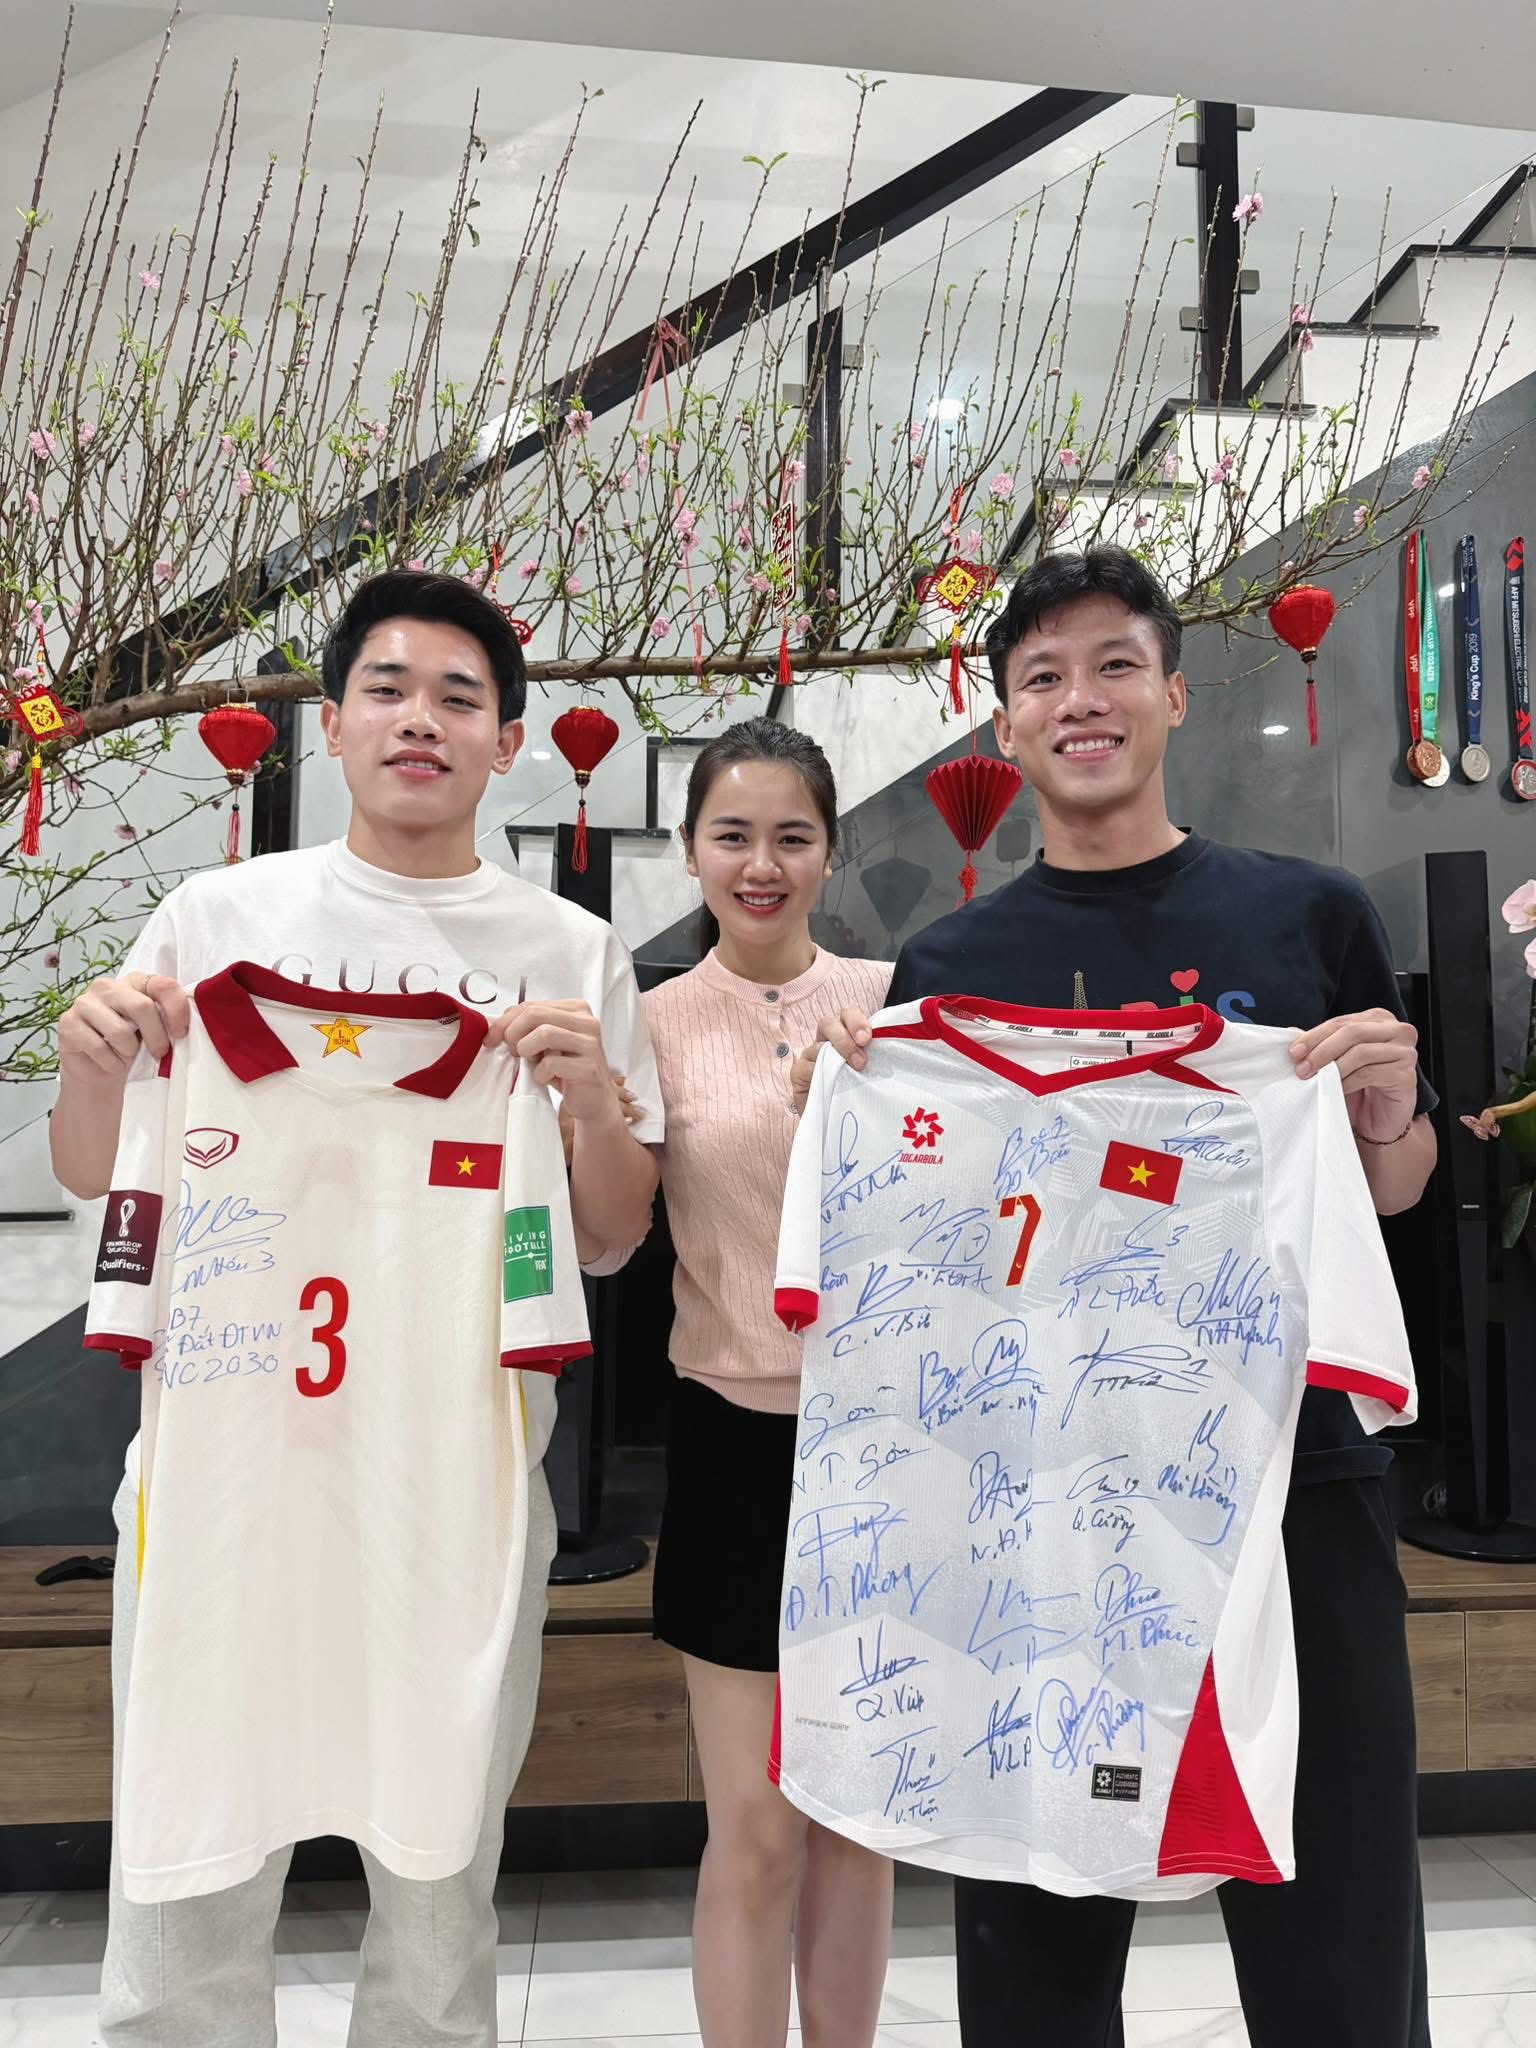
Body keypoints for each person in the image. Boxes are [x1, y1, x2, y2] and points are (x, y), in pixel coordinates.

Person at [790, 546, 1436, 2048]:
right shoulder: (948, 968)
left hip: (1289, 1482)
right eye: (1044, 678)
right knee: (1035, 1934)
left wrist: (1388, 1116)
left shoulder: (1312, 916)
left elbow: (1395, 1195)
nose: (1081, 700)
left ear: (1173, 696)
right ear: (1005, 724)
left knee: (1336, 1922)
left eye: (1114, 666)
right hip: (1034, 1495)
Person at [49, 568, 663, 2048]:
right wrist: (89, 1065)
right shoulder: (213, 922)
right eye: (387, 689)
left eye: (459, 697)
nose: (419, 720)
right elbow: (99, 1174)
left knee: (440, 1889)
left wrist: (588, 1104)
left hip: (454, 1482)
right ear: (331, 723)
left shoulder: (565, 958)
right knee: (186, 1870)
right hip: (222, 1472)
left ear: (505, 740)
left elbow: (611, 1235)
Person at [643, 719, 895, 2048]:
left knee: (858, 1815)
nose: (761, 864)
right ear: (690, 851)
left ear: (829, 853)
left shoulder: (896, 1001)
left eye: (791, 837)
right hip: (734, 1443)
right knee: (753, 1828)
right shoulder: (651, 1024)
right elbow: (610, 1228)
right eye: (732, 836)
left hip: (889, 1444)